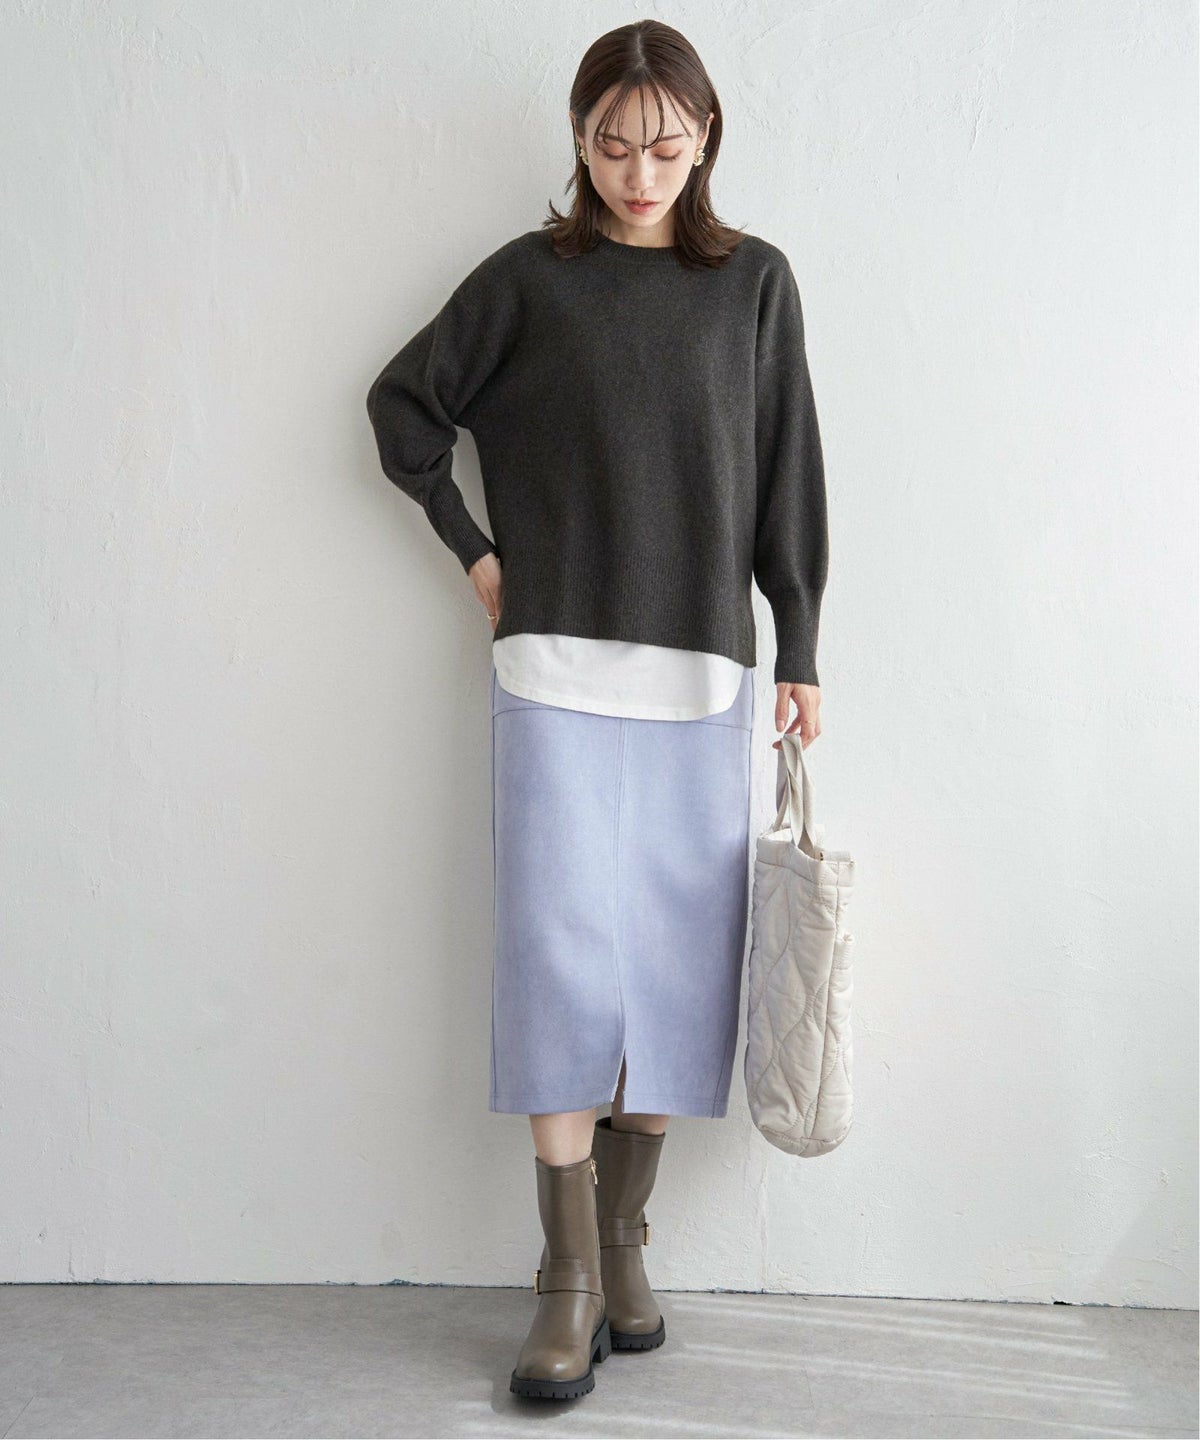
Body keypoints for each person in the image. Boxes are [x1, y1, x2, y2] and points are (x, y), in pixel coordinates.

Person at [365, 18, 829, 1404]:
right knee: (558, 967)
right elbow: (402, 406)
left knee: (679, 969)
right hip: (554, 673)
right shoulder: (529, 281)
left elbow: (788, 468)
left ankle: (627, 1245)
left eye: (666, 147)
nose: (639, 172)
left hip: (703, 679)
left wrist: (800, 642)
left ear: (706, 140)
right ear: (579, 137)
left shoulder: (754, 284)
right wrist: (475, 553)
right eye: (615, 144)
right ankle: (565, 1276)